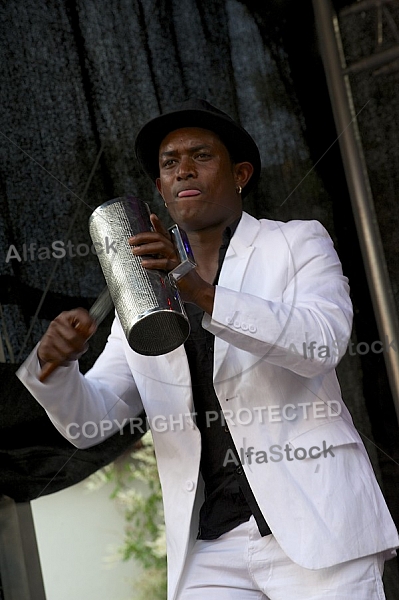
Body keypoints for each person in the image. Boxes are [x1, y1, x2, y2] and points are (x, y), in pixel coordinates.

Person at [18, 98, 399, 599]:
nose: (183, 171)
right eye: (170, 163)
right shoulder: (140, 288)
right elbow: (94, 419)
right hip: (210, 546)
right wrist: (56, 364)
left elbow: (318, 343)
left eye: (201, 155)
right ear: (159, 188)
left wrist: (198, 290)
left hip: (318, 529)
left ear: (240, 173)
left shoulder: (297, 243)